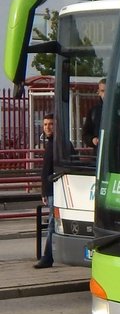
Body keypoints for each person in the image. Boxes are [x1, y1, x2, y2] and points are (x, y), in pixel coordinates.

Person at [33, 113, 58, 268]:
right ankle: (48, 256)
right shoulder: (50, 144)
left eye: (51, 124)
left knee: (52, 224)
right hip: (49, 191)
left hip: (55, 190)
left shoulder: (58, 144)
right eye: (45, 125)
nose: (48, 127)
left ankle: (48, 257)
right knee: (52, 224)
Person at [81, 79, 106, 149]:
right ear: (98, 92)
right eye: (102, 91)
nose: (105, 94)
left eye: (108, 91)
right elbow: (85, 134)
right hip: (99, 154)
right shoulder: (93, 111)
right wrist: (92, 140)